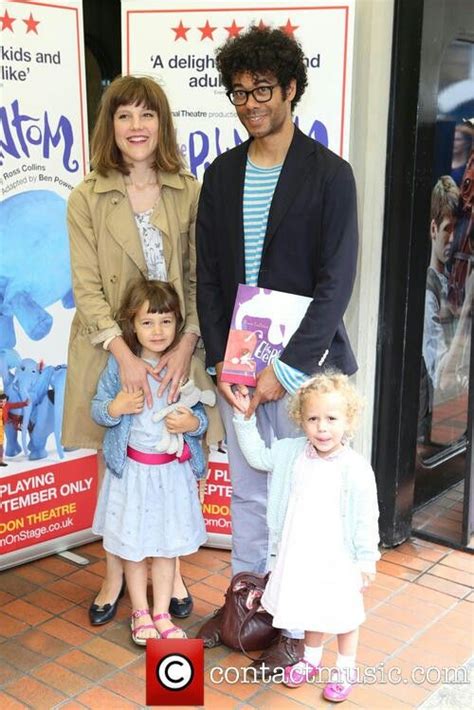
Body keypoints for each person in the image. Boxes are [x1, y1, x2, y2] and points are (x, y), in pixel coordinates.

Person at [196, 25, 359, 672]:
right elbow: (209, 276)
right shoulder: (223, 172)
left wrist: (284, 372)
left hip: (306, 375)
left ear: (291, 88)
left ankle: (298, 624)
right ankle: (247, 606)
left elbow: (335, 283)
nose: (251, 102)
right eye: (239, 92)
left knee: (303, 505)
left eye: (263, 88)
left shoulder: (329, 175)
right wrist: (221, 362)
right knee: (245, 494)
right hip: (238, 364)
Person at [63, 75, 221, 626]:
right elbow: (86, 285)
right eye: (124, 116)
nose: (136, 127)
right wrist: (122, 353)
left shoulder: (189, 190)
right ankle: (114, 575)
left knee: (176, 458)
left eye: (146, 115)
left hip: (177, 345)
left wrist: (187, 341)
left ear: (162, 123)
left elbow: (205, 277)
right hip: (110, 347)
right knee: (123, 463)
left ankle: (171, 572)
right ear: (110, 125)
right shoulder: (87, 196)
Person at [233, 372, 380, 701]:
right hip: (302, 552)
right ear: (301, 419)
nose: (322, 427)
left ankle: (345, 668)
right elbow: (258, 456)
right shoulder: (291, 453)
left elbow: (366, 517)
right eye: (313, 418)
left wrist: (366, 558)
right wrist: (244, 420)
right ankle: (310, 659)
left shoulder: (355, 468)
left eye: (331, 418)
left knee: (342, 615)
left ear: (348, 420)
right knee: (313, 608)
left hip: (339, 557)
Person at [91, 278, 208, 644]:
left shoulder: (182, 365)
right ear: (132, 324)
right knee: (134, 544)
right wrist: (116, 407)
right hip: (132, 474)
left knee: (166, 544)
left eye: (166, 321)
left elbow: (200, 415)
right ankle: (140, 612)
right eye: (147, 322)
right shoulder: (120, 366)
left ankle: (161, 612)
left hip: (170, 475)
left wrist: (191, 423)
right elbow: (98, 409)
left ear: (177, 323)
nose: (157, 331)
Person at [418, 176, 459, 443]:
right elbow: (441, 376)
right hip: (430, 428)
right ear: (433, 229)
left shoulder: (452, 283)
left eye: (458, 230)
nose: (452, 239)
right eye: (447, 230)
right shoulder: (428, 291)